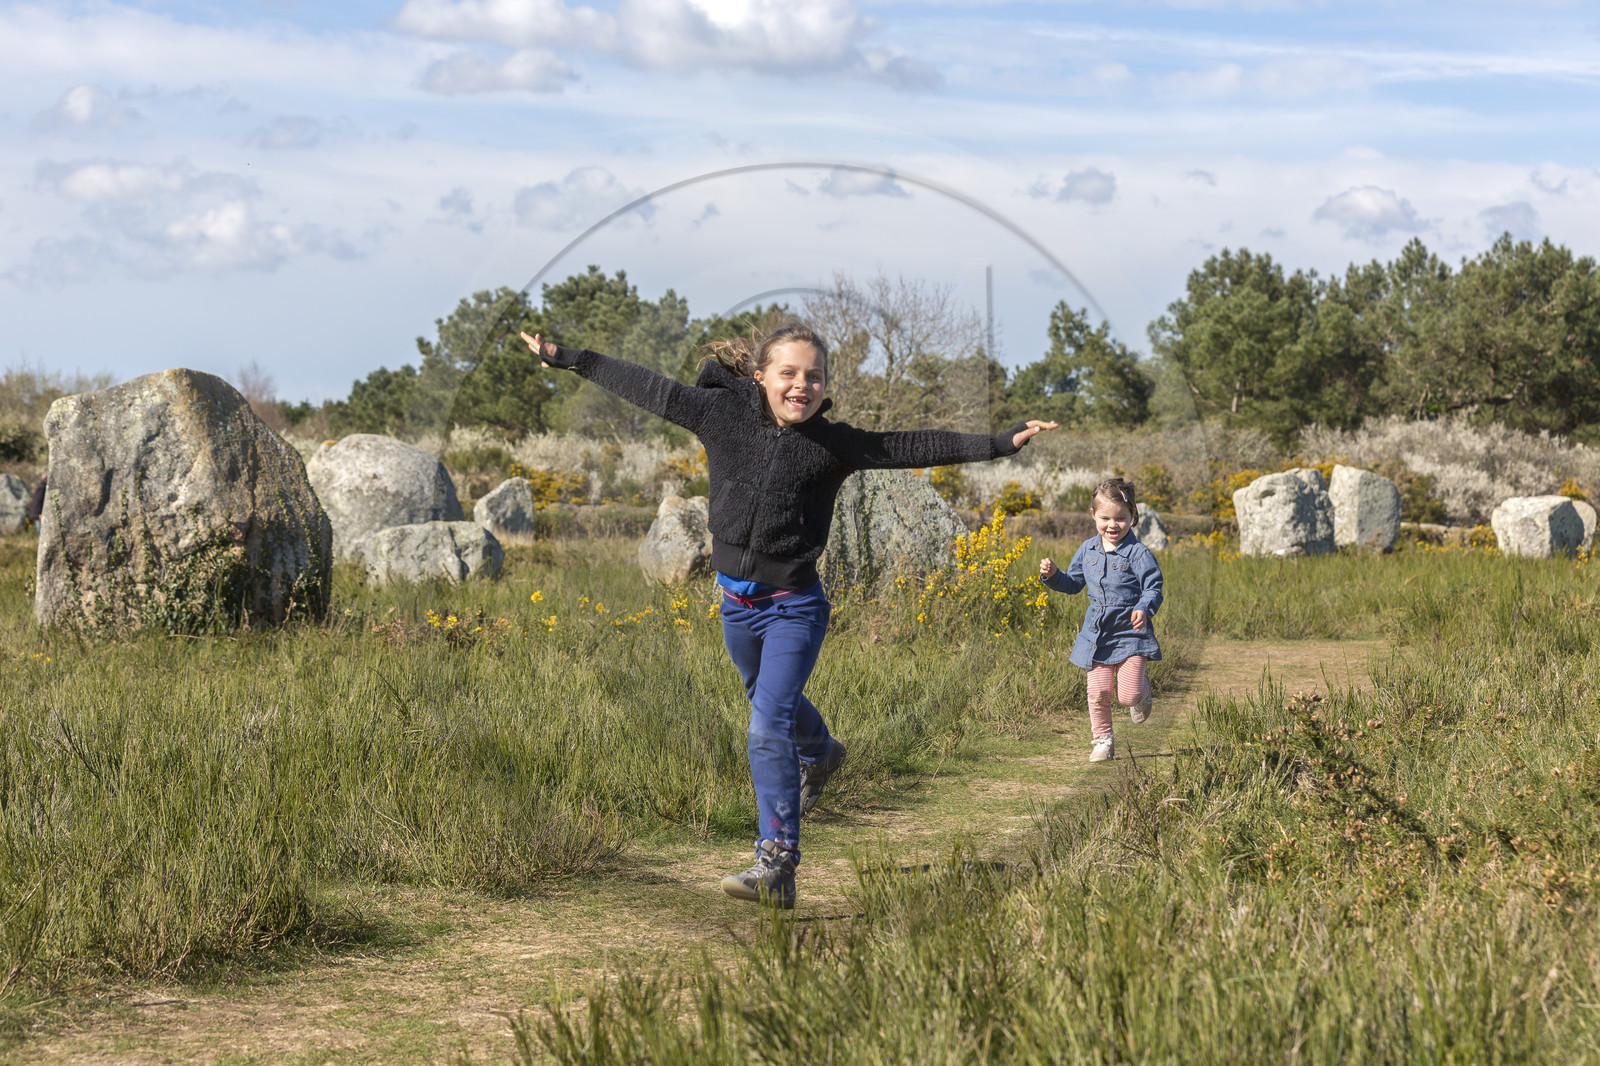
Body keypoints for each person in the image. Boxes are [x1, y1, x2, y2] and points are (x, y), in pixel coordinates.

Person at [520, 322, 1058, 907]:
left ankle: (776, 863)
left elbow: (911, 445)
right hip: (735, 607)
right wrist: (570, 358)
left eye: (815, 377)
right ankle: (822, 750)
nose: (802, 385)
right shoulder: (719, 417)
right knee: (766, 701)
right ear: (760, 376)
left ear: (825, 387)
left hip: (794, 609)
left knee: (766, 724)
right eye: (789, 373)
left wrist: (1000, 443)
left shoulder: (833, 444)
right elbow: (646, 386)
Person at [1037, 477, 1163, 762]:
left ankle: (1142, 693)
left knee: (1126, 697)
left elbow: (1154, 587)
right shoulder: (1087, 550)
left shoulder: (1138, 553)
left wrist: (1144, 607)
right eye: (1105, 518)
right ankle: (1103, 741)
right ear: (1093, 515)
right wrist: (1053, 575)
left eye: (1121, 518)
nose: (1113, 525)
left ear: (1133, 516)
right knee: (1098, 692)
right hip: (1096, 635)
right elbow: (1073, 584)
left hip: (1131, 634)